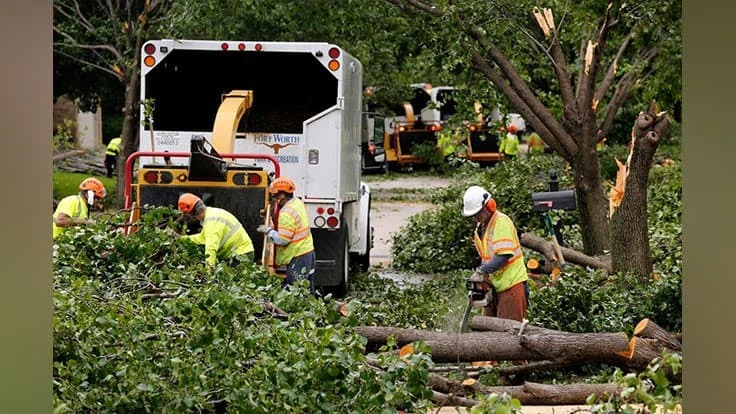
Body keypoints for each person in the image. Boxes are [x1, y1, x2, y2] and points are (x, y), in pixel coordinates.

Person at [462, 185, 529, 322]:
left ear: (490, 206)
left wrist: (482, 271)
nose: (476, 217)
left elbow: (504, 255)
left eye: (478, 213)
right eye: (474, 215)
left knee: (507, 333)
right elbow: (485, 257)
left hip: (511, 284)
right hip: (494, 285)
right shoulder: (479, 229)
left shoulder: (501, 222)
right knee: (487, 330)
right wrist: (482, 278)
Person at [257, 176, 316, 294]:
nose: (273, 198)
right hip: (308, 252)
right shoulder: (297, 203)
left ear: (282, 195)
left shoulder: (286, 213)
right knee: (307, 291)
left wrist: (269, 231)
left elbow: (283, 240)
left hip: (298, 256)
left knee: (295, 292)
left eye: (274, 195)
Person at [175, 193, 255, 268]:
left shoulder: (211, 223)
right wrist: (182, 238)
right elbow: (202, 238)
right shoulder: (211, 214)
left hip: (241, 256)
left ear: (191, 214)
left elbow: (211, 250)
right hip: (239, 254)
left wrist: (208, 274)